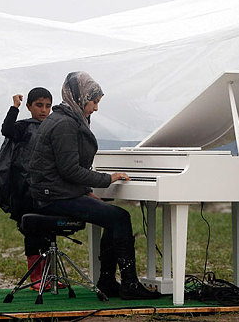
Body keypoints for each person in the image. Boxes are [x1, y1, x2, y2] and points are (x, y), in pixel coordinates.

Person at [28, 71, 160, 300]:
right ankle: (128, 283)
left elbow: (64, 169)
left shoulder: (65, 118)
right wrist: (108, 179)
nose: (96, 108)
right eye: (94, 101)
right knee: (119, 217)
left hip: (57, 193)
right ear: (80, 97)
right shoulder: (65, 124)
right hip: (53, 199)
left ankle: (108, 281)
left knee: (112, 217)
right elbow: (69, 170)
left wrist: (88, 192)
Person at [0, 87, 53, 290]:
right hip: (25, 190)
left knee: (49, 232)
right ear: (29, 106)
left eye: (47, 106)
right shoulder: (22, 128)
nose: (43, 110)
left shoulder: (53, 127)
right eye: (39, 105)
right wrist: (14, 107)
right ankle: (36, 278)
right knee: (32, 232)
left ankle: (50, 275)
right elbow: (6, 130)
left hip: (48, 189)